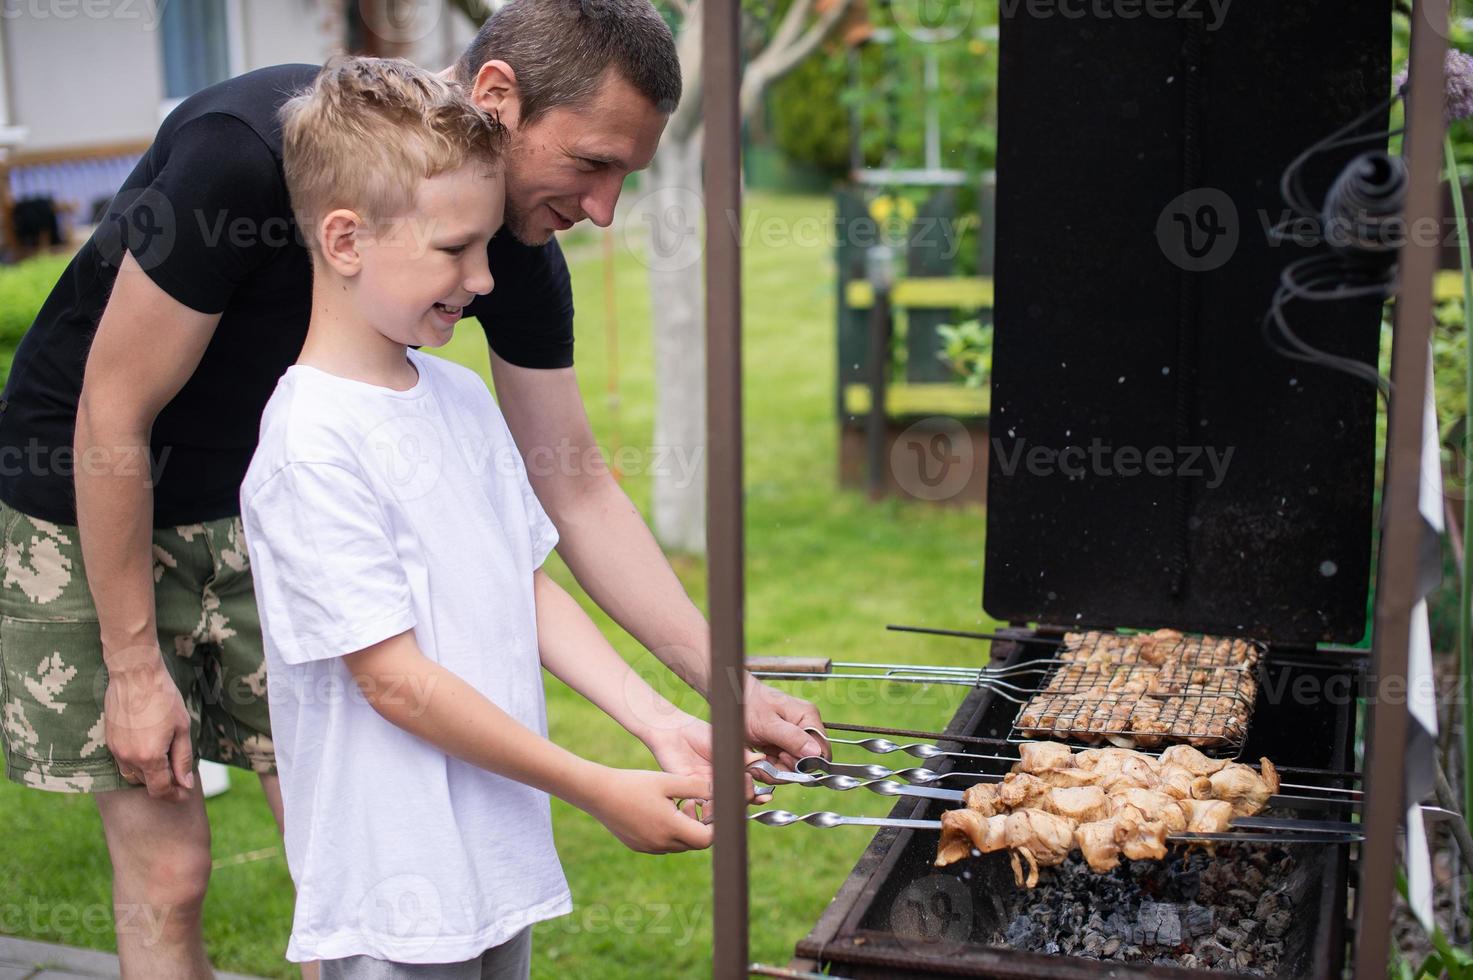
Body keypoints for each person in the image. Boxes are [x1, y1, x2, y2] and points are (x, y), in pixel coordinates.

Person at [0, 1, 822, 977]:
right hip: (93, 488)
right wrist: (135, 669)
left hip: (281, 511)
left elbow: (580, 490)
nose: (602, 209)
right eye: (593, 163)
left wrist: (717, 685)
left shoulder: (494, 259)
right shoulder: (242, 156)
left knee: (340, 858)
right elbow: (111, 415)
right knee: (169, 873)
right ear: (500, 96)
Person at [242, 56, 726, 980]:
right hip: (397, 894)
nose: (486, 279)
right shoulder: (310, 445)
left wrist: (656, 721)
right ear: (345, 240)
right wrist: (595, 789)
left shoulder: (458, 397)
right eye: (454, 249)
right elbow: (393, 682)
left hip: (493, 861)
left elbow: (523, 586)